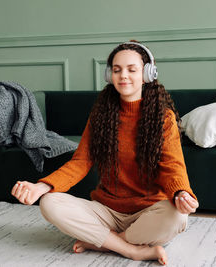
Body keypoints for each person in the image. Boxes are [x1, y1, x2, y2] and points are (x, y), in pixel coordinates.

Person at [11, 40, 199, 266]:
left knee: (177, 215)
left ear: (148, 74)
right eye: (117, 70)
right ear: (109, 75)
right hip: (106, 211)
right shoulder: (101, 115)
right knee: (49, 203)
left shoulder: (163, 118)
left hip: (148, 211)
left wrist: (181, 193)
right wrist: (40, 187)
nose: (123, 76)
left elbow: (173, 166)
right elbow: (80, 162)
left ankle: (104, 241)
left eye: (132, 69)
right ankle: (131, 250)